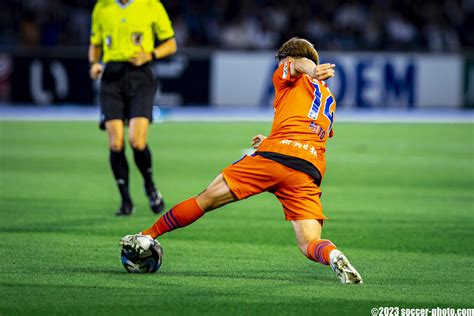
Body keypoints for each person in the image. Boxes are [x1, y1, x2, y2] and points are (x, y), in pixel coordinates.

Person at [121, 37, 363, 284]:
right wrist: (270, 138)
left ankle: (147, 236)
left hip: (273, 158)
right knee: (309, 242)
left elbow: (298, 63)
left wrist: (308, 68)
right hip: (306, 170)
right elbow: (306, 130)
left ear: (286, 60)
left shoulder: (292, 72)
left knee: (205, 199)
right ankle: (332, 254)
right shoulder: (327, 97)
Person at [88, 0, 177, 215]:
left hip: (141, 76)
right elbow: (95, 42)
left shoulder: (151, 5)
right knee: (115, 143)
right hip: (111, 78)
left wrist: (151, 54)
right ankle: (125, 200)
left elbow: (171, 44)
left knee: (137, 141)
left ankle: (150, 186)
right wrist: (94, 63)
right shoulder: (103, 6)